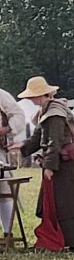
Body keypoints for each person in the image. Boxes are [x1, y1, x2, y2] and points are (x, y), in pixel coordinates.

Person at [17, 76, 74, 252]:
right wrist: (22, 147)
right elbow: (39, 137)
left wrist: (49, 167)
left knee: (68, 204)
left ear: (40, 95)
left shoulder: (54, 114)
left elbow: (53, 143)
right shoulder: (47, 111)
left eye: (31, 96)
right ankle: (66, 239)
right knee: (60, 203)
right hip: (61, 164)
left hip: (64, 166)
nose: (30, 100)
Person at [1, 86, 28, 237]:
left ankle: (7, 233)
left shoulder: (1, 96)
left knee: (3, 190)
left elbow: (18, 116)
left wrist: (5, 130)